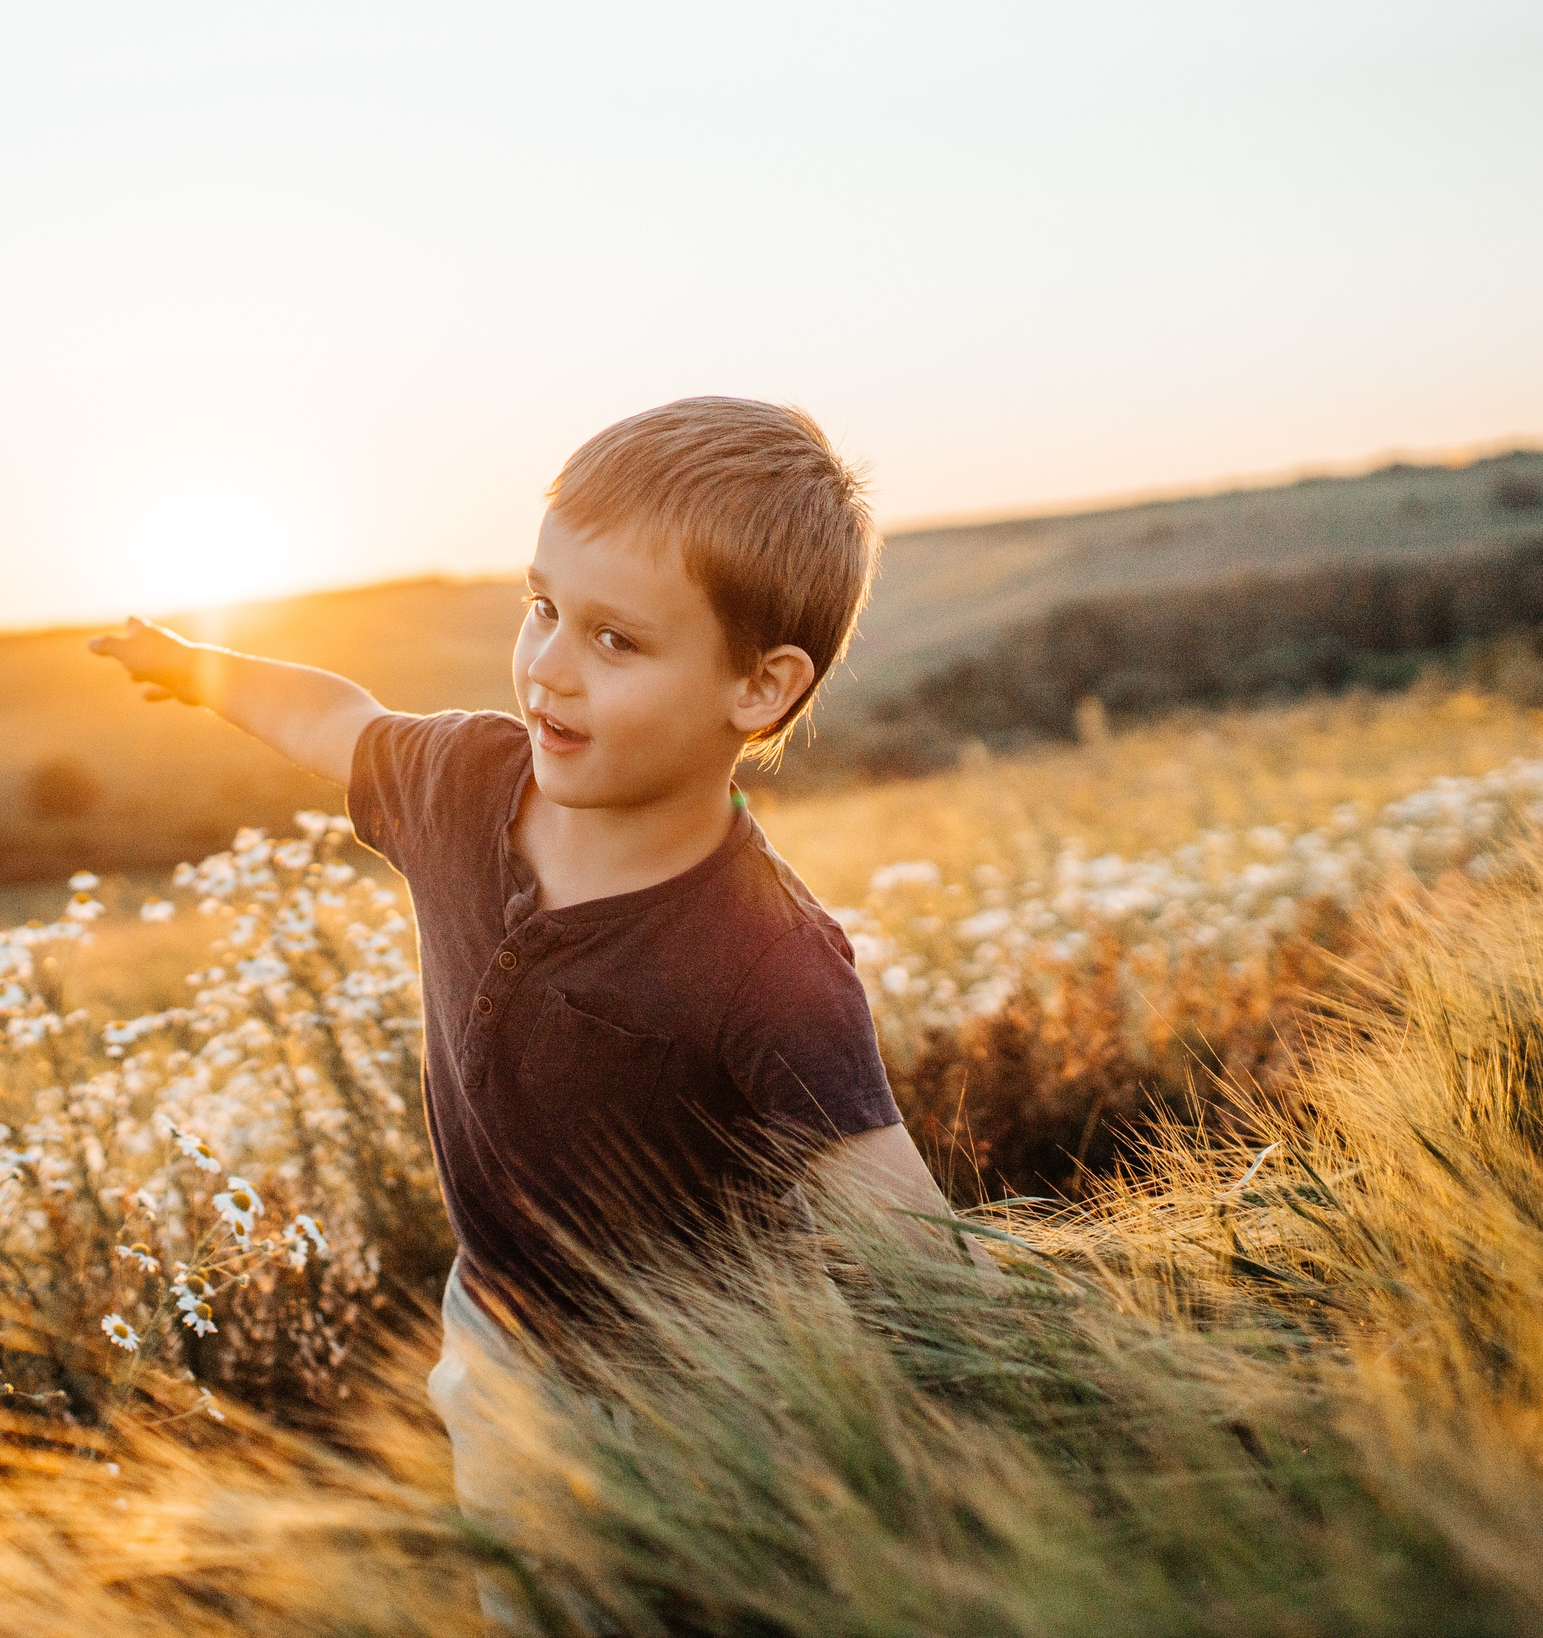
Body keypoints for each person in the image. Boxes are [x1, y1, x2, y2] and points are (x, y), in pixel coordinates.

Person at [90, 396, 979, 1630]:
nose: (549, 666)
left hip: (709, 1394)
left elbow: (900, 1231)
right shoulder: (460, 782)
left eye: (615, 640)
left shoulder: (768, 957)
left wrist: (1014, 1407)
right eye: (541, 606)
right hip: (502, 1340)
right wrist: (196, 669)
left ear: (759, 687)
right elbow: (330, 717)